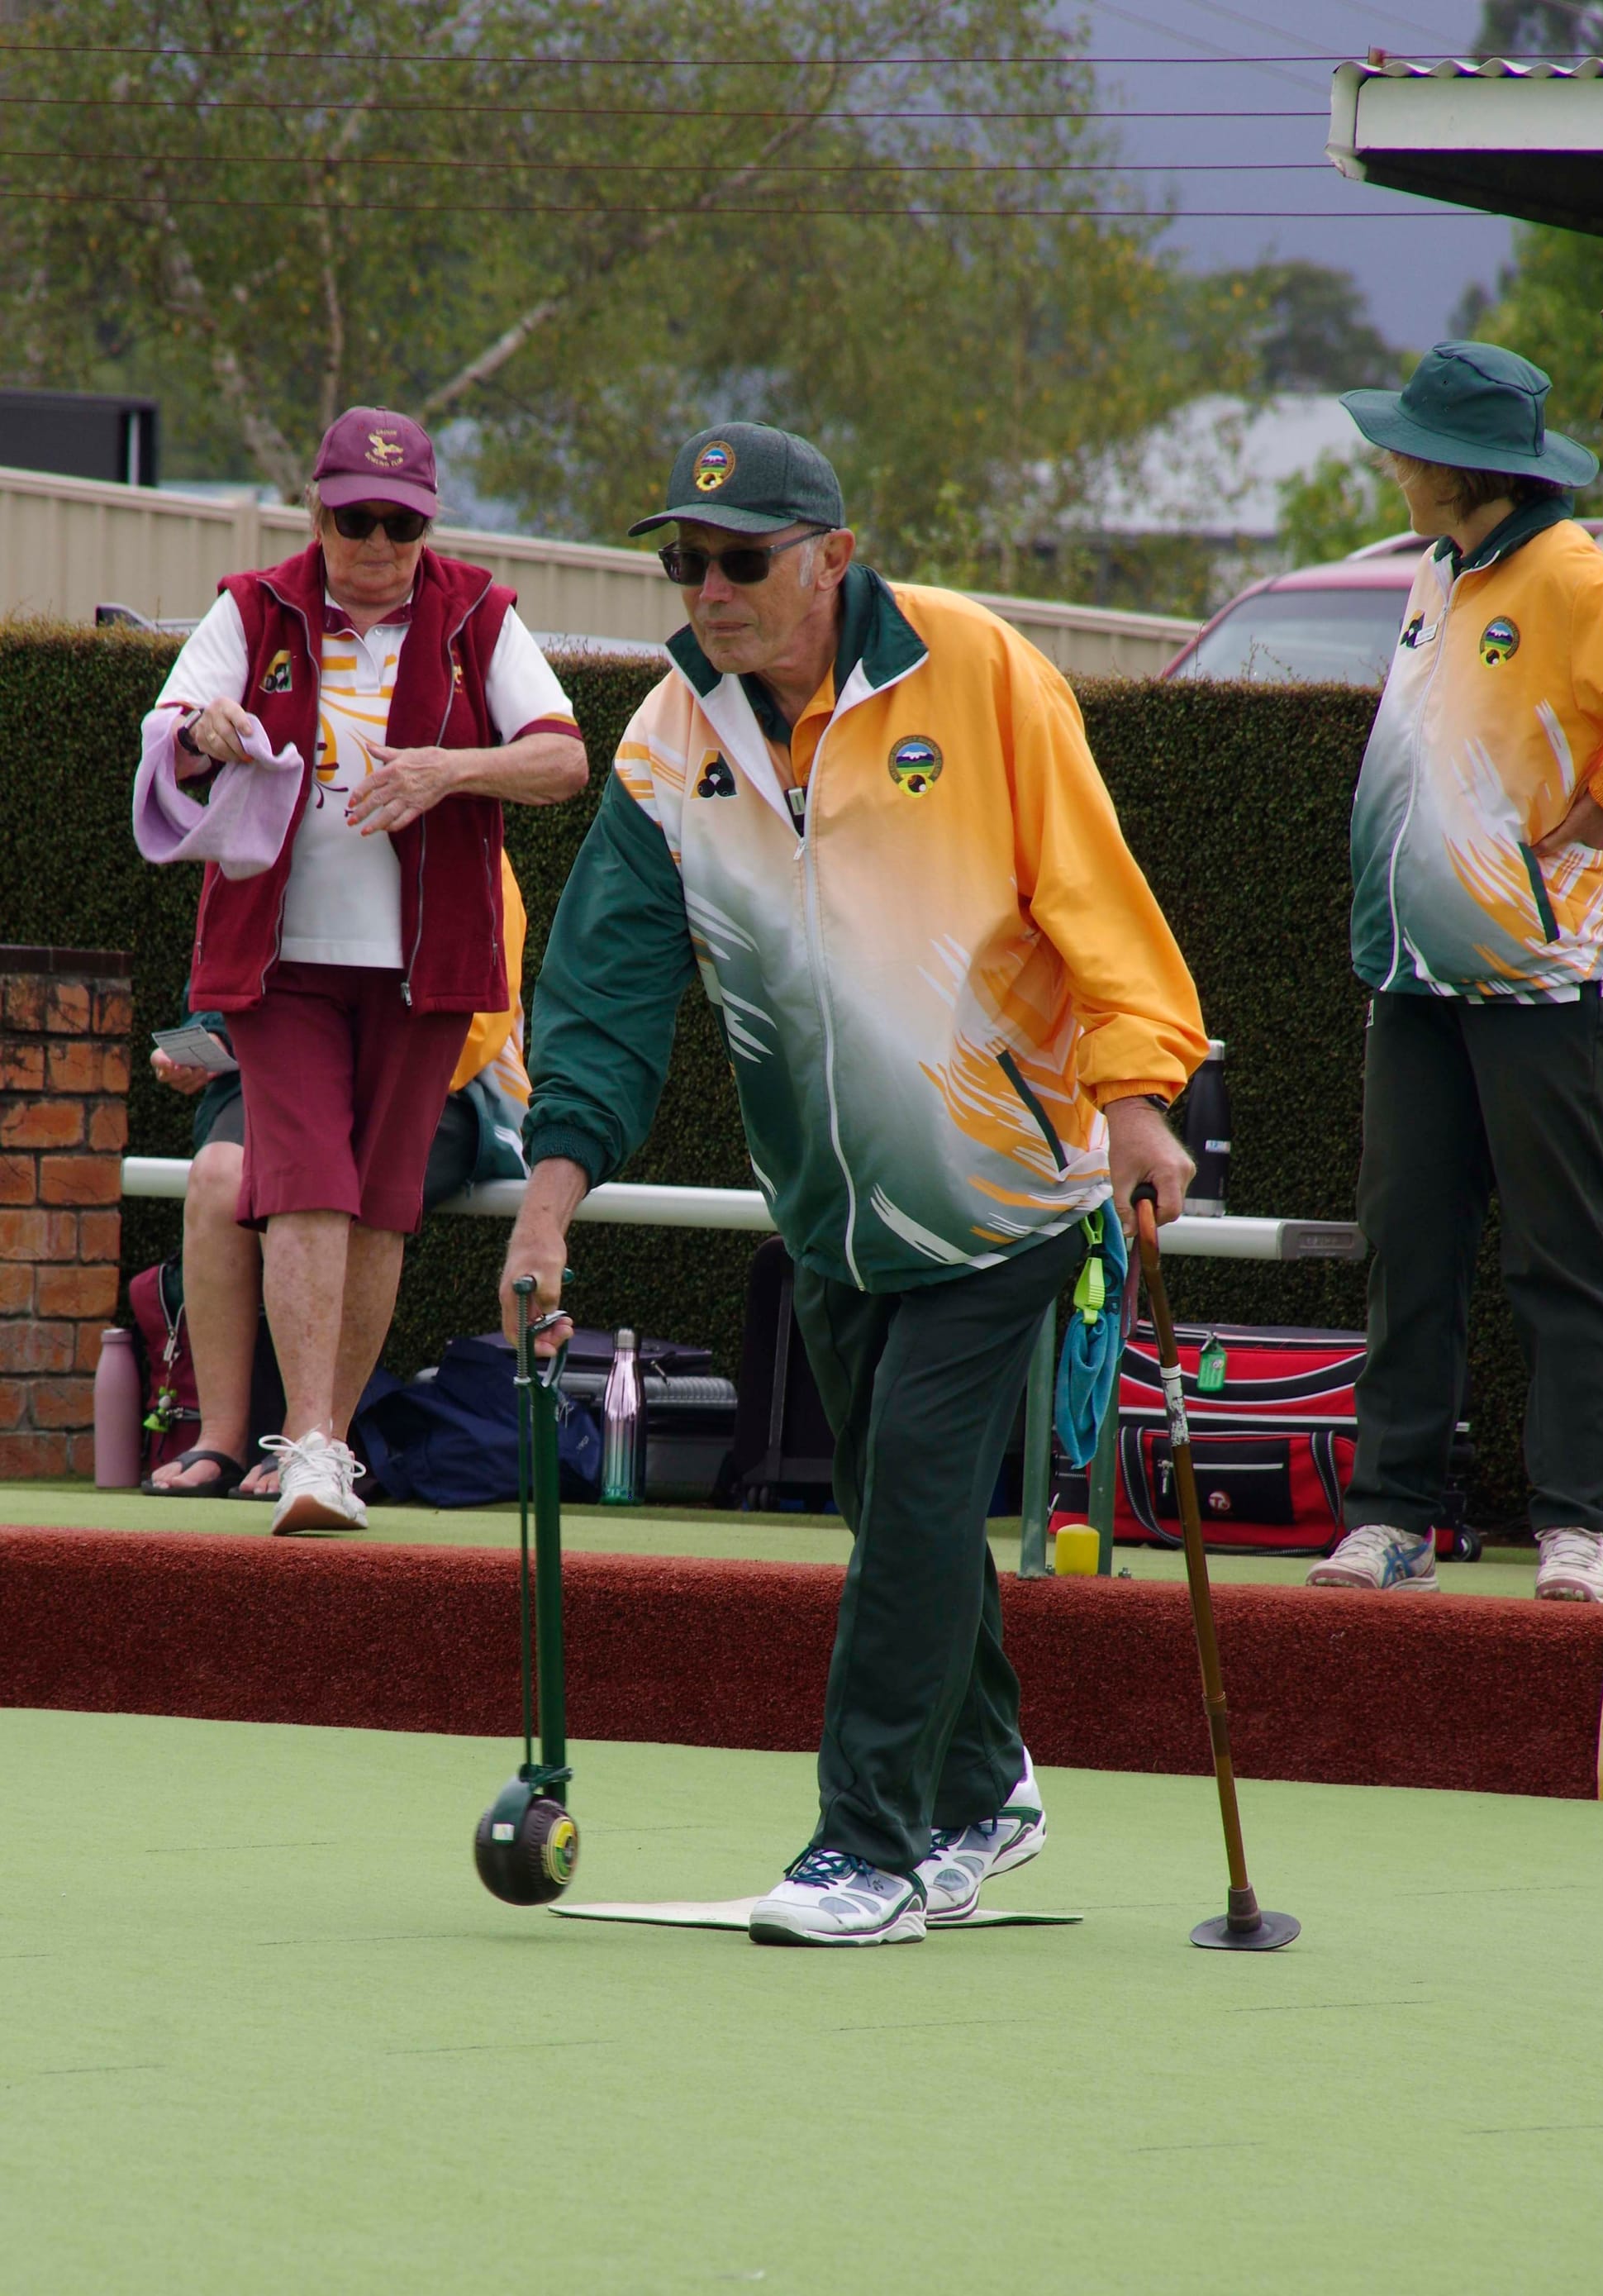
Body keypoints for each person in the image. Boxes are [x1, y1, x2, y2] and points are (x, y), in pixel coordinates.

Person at [499, 422, 1205, 1945]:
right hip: (828, 1209)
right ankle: (989, 1779)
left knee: (915, 1500)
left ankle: (864, 1849)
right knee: (900, 1506)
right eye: (684, 561)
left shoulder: (982, 670)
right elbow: (608, 994)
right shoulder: (669, 738)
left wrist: (1140, 1100)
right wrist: (547, 1206)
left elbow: (1095, 896)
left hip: (1007, 1187)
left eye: (743, 559)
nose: (709, 588)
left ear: (834, 554)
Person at [139, 405, 586, 1535]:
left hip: (425, 967)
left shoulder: (478, 612)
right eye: (356, 521)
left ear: (429, 524)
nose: (381, 548)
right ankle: (305, 1453)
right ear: (318, 511)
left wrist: (451, 769)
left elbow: (564, 758)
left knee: (380, 1208)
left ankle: (324, 1442)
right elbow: (171, 730)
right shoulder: (255, 605)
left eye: (402, 525)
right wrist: (211, 732)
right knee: (304, 1184)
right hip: (280, 961)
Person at [1306, 341, 1603, 1604]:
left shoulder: (1575, 578)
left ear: (1462, 468)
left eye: (1406, 445)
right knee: (1408, 1242)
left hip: (1555, 972)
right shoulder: (1438, 573)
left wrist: (1602, 792)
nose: (1390, 460)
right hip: (1414, 974)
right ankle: (1393, 1516)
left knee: (1557, 1253)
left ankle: (1576, 1526)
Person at [143, 853, 535, 1502]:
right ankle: (220, 1436)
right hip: (287, 1067)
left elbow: (469, 1025)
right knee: (218, 1174)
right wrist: (204, 1044)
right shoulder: (274, 830)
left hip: (450, 1089)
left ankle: (319, 1440)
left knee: (326, 1182)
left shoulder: (473, 849)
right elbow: (235, 977)